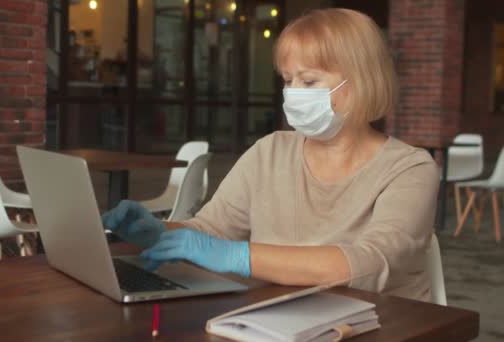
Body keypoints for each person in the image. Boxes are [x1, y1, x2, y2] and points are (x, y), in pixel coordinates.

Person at [102, 8, 439, 301]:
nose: (293, 94)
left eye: (308, 81)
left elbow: (373, 263)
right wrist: (162, 233)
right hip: (279, 316)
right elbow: (214, 229)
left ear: (363, 80)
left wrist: (240, 257)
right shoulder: (270, 151)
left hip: (382, 322)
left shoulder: (410, 169)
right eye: (288, 80)